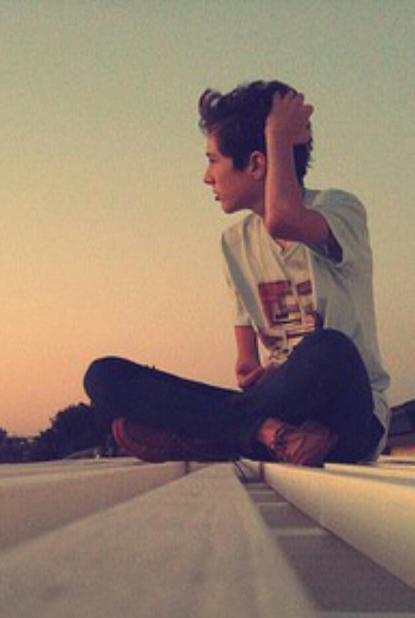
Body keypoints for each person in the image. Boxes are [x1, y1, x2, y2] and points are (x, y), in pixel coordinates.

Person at [83, 80, 390, 467]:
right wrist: (256, 373)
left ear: (257, 164)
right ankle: (264, 433)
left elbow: (282, 219)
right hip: (283, 414)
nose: (207, 177)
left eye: (213, 160)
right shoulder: (234, 243)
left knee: (330, 351)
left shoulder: (340, 209)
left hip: (348, 418)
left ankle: (217, 434)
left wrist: (277, 135)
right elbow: (246, 365)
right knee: (104, 377)